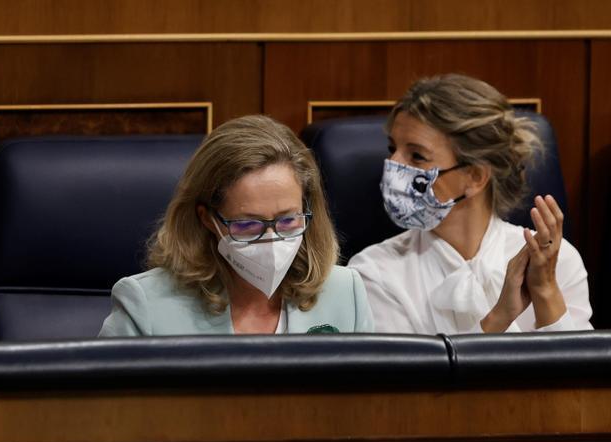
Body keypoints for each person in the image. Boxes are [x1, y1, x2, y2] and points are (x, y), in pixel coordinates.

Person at [348, 74, 592, 334]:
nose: (393, 166)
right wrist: (499, 317)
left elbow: (578, 373)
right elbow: (404, 375)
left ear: (475, 176)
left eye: (417, 156)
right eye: (392, 149)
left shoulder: (558, 260)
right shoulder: (373, 272)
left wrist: (545, 291)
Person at [100, 115, 373, 336]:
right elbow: (106, 405)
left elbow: (369, 401)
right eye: (248, 225)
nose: (272, 239)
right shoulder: (146, 306)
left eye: (288, 220)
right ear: (207, 218)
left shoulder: (344, 293)